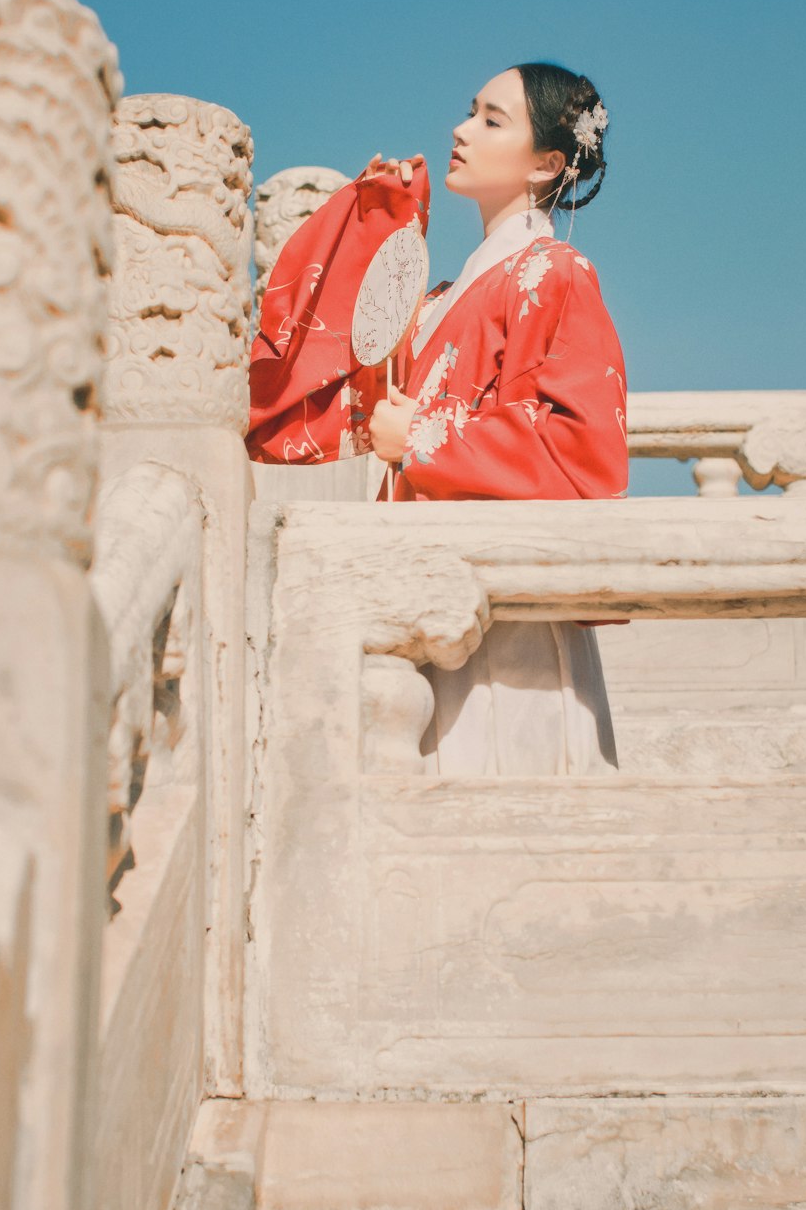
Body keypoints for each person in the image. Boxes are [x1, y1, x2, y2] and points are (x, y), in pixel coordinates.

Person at [248, 62, 627, 775]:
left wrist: (419, 441)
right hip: (428, 599)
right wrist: (369, 222)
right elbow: (316, 389)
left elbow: (584, 455)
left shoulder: (557, 273)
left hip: (510, 617)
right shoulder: (442, 298)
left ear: (547, 161)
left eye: (491, 119)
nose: (459, 130)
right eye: (469, 111)